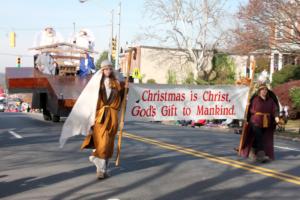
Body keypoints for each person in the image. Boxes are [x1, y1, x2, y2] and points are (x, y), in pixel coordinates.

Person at [59, 60, 125, 180]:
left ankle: (103, 170)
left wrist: (126, 89)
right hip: (100, 117)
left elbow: (121, 98)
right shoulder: (96, 83)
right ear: (102, 70)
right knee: (102, 143)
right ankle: (98, 163)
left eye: (110, 69)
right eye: (106, 69)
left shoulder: (116, 83)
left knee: (109, 144)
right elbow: (89, 100)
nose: (108, 71)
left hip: (112, 116)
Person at [240, 83, 280, 163]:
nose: (264, 91)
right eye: (262, 90)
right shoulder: (255, 100)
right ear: (259, 91)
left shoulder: (270, 100)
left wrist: (276, 117)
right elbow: (249, 111)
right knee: (259, 138)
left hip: (266, 122)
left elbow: (274, 109)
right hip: (255, 121)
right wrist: (247, 110)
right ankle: (261, 155)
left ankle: (252, 150)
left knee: (258, 138)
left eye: (265, 90)